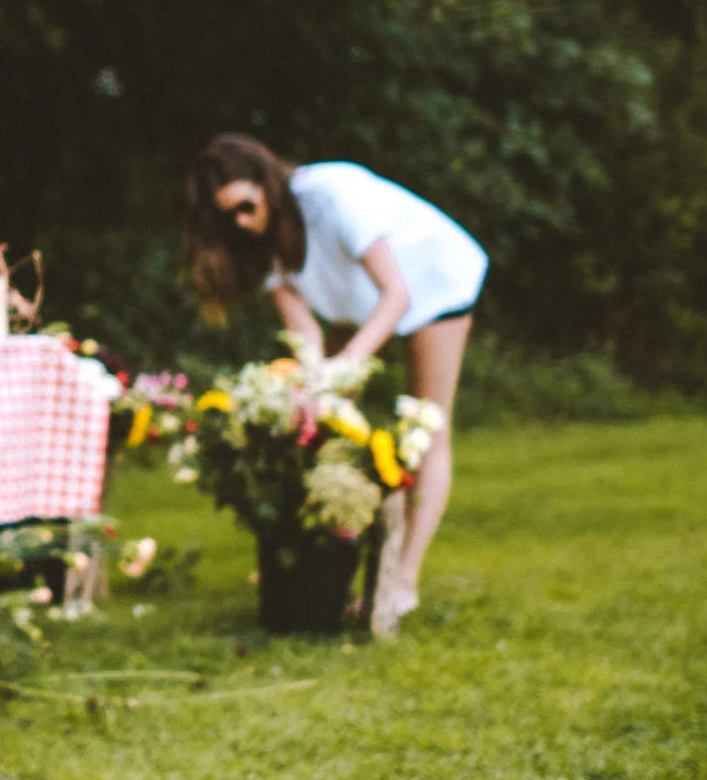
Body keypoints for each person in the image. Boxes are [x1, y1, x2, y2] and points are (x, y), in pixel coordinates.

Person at [183, 134, 487, 637]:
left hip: (432, 282)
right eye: (225, 217)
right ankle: (317, 559)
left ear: (267, 184)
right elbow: (306, 338)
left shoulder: (333, 194)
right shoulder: (258, 247)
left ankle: (401, 579)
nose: (238, 222)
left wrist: (342, 363)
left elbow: (398, 295)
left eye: (244, 206)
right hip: (359, 303)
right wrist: (312, 386)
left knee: (428, 426)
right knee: (321, 425)